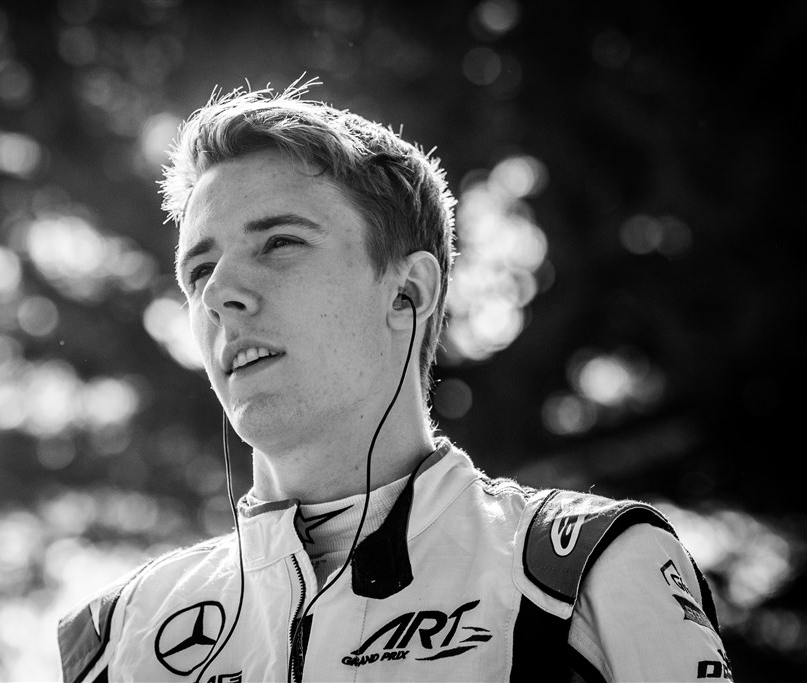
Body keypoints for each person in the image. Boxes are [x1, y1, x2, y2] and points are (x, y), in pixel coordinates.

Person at [57, 81, 733, 683]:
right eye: (199, 270)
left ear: (408, 291)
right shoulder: (125, 637)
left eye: (280, 242)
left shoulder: (589, 568)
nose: (219, 293)